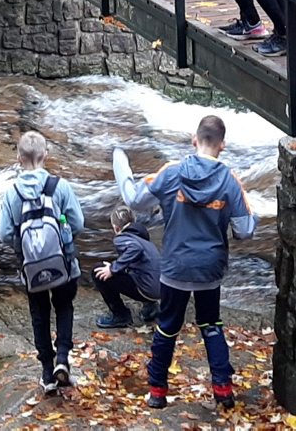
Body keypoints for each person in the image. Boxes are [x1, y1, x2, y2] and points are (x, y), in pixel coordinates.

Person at [114, 116, 258, 410]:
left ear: (195, 140)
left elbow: (134, 199)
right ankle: (223, 390)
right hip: (210, 269)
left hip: (176, 267)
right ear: (223, 145)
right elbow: (245, 231)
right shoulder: (231, 181)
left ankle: (157, 392)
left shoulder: (172, 172)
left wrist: (120, 161)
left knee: (167, 327)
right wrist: (246, 211)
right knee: (211, 324)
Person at [0, 131, 85, 392]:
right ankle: (63, 359)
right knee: (64, 306)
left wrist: (23, 248)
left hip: (31, 268)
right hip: (64, 264)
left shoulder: (12, 193)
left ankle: (47, 374)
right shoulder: (60, 187)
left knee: (39, 314)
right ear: (46, 156)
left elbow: (4, 233)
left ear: (19, 158)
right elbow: (78, 222)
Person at [92, 204, 161, 328]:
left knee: (98, 270)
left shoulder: (122, 238)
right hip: (160, 288)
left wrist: (113, 269)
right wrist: (115, 266)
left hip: (147, 289)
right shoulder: (144, 240)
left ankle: (121, 315)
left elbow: (135, 249)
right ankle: (151, 307)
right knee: (134, 269)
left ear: (116, 228)